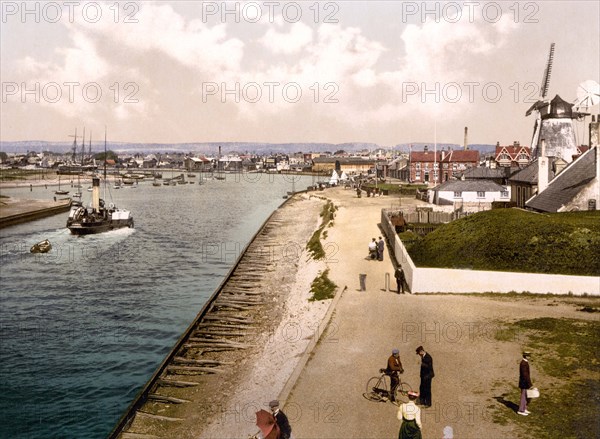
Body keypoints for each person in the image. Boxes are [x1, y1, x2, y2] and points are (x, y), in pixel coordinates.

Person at [518, 351, 533, 416]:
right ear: (526, 356)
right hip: (524, 382)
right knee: (523, 396)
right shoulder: (524, 363)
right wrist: (529, 383)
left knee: (526, 395)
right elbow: (525, 375)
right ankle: (521, 410)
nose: (530, 357)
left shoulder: (524, 362)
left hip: (524, 382)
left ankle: (524, 408)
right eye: (529, 355)